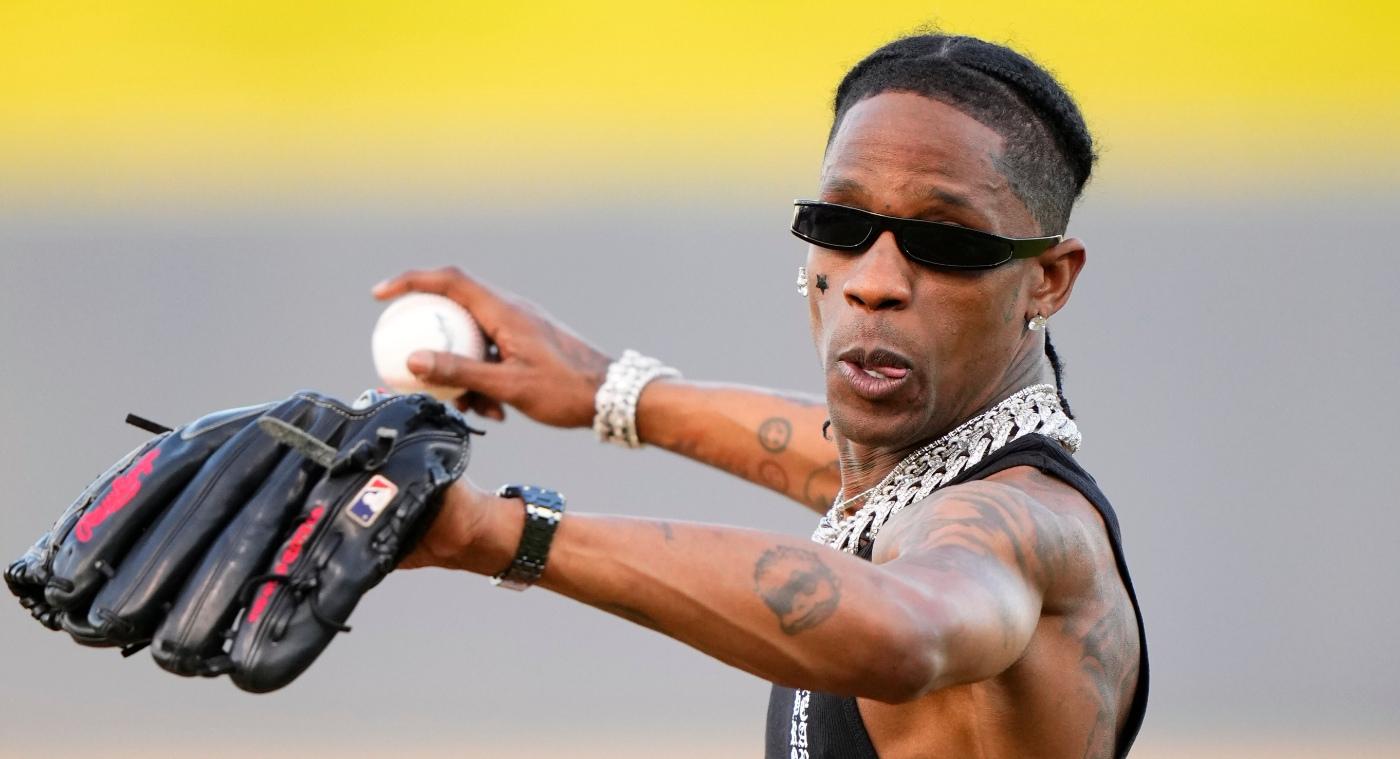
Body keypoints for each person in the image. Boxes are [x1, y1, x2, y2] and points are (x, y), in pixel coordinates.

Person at [375, 32, 1147, 759]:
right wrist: (608, 389)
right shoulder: (917, 476)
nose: (873, 282)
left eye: (945, 241)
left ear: (1047, 279)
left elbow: (906, 629)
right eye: (840, 223)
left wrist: (500, 533)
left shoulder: (1027, 531)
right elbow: (836, 459)